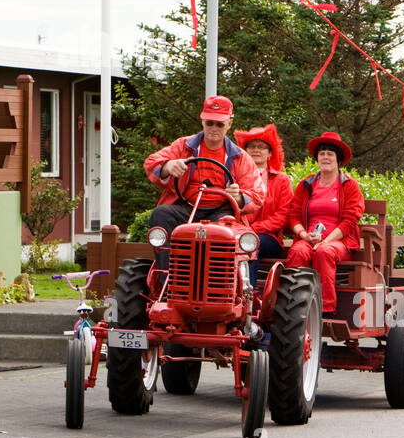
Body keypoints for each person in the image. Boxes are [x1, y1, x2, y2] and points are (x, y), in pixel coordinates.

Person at [143, 95, 264, 268]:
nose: (214, 128)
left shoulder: (240, 157)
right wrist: (168, 166)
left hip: (221, 212)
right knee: (161, 214)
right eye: (210, 123)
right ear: (202, 121)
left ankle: (219, 283)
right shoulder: (183, 145)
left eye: (220, 124)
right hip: (186, 208)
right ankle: (168, 277)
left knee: (226, 230)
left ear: (229, 124)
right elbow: (151, 162)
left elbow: (257, 194)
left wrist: (237, 196)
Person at [285, 131, 364, 314]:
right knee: (297, 251)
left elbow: (350, 220)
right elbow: (294, 216)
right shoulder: (306, 184)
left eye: (330, 153)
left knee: (323, 252)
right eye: (322, 153)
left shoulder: (349, 185)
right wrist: (304, 235)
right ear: (317, 158)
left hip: (338, 242)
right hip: (309, 239)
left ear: (339, 159)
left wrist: (326, 240)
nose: (325, 157)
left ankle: (325, 308)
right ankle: (294, 307)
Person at [234, 123, 293, 286]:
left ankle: (248, 296)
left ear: (270, 153)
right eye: (251, 146)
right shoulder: (234, 177)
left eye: (261, 147)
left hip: (269, 238)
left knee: (251, 243)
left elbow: (282, 216)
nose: (256, 150)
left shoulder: (281, 180)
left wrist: (253, 230)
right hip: (237, 235)